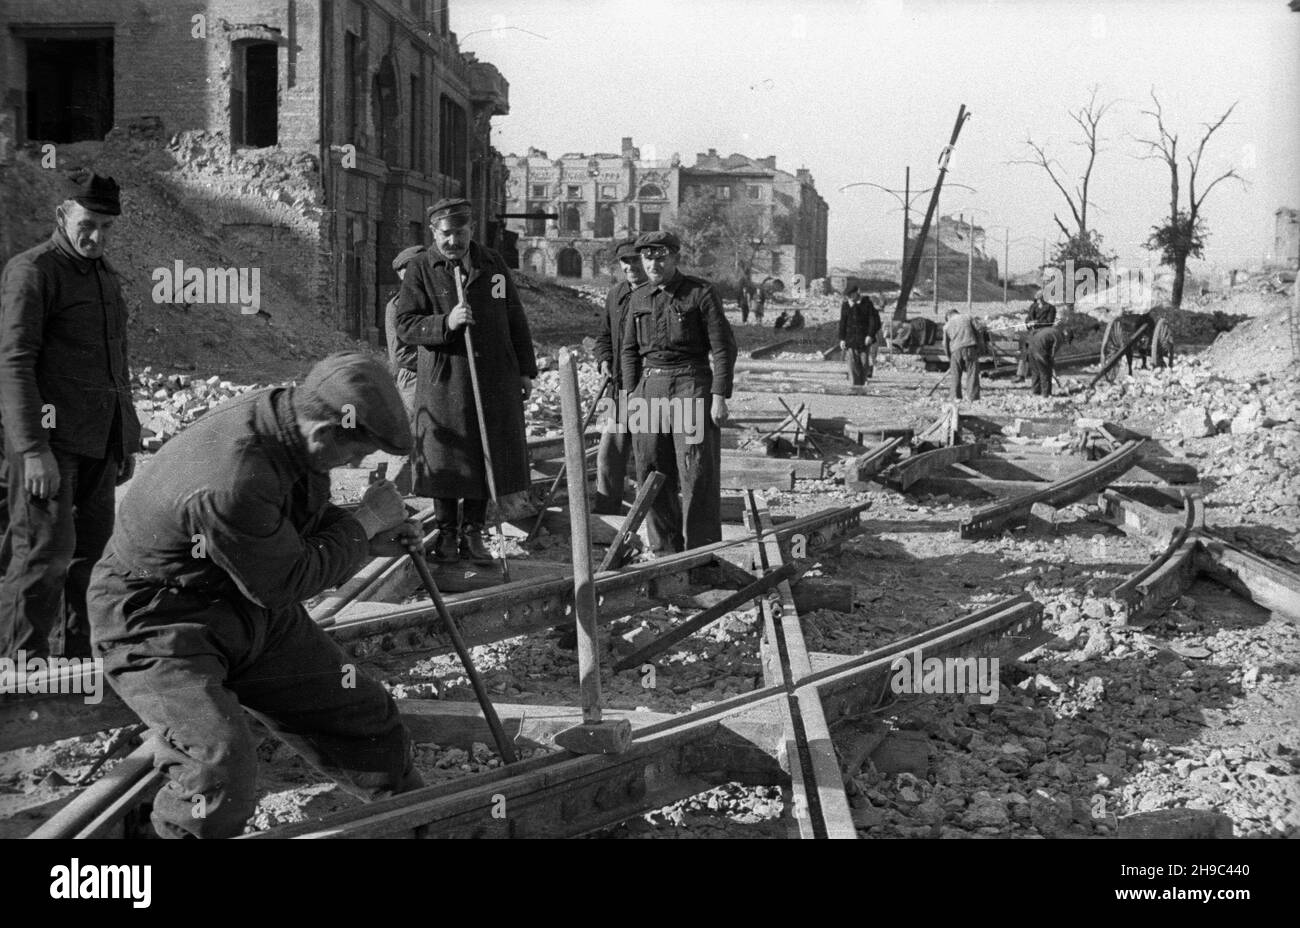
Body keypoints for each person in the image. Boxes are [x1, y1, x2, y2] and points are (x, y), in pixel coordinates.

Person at [87, 353, 425, 838]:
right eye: (355, 454)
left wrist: (362, 537)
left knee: (361, 715)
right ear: (325, 432)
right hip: (157, 621)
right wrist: (363, 523)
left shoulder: (288, 424)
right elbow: (284, 581)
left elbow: (291, 522)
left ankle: (416, 818)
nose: (355, 464)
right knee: (217, 773)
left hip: (243, 601)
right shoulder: (234, 476)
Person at [0, 172, 141, 660]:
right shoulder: (33, 272)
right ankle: (19, 669)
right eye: (88, 224)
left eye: (106, 227)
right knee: (43, 557)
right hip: (50, 448)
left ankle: (78, 663)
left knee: (93, 561)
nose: (97, 237)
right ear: (62, 215)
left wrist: (125, 439)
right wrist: (33, 450)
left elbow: (115, 360)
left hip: (98, 446)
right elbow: (14, 364)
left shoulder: (104, 275)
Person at [395, 197, 537, 564]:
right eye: (445, 234)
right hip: (446, 378)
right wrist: (446, 323)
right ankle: (446, 535)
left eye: (459, 233)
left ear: (471, 230)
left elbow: (513, 316)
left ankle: (473, 534)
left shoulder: (492, 265)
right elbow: (406, 325)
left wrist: (524, 370)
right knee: (447, 457)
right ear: (433, 233)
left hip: (493, 376)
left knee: (483, 451)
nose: (453, 241)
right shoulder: (423, 268)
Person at [620, 231, 737, 556]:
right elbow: (628, 350)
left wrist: (719, 396)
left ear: (675, 257)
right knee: (651, 470)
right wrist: (631, 395)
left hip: (690, 385)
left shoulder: (700, 293)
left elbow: (723, 347)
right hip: (650, 388)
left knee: (696, 469)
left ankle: (701, 554)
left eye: (661, 257)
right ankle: (665, 551)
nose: (653, 263)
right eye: (647, 257)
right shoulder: (639, 297)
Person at [592, 238, 646, 514]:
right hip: (620, 388)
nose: (631, 266)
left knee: (648, 456)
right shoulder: (616, 295)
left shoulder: (657, 292)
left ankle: (651, 513)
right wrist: (603, 360)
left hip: (649, 389)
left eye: (636, 259)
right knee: (609, 456)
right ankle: (606, 512)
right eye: (626, 261)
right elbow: (603, 337)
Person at [384, 245, 425, 417]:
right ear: (402, 275)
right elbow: (400, 355)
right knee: (419, 427)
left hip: (435, 373)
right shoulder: (396, 306)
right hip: (412, 377)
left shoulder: (434, 298)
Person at [838, 285, 882, 385]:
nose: (849, 297)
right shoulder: (845, 305)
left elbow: (874, 321)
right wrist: (842, 339)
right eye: (847, 296)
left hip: (864, 340)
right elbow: (843, 323)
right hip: (850, 339)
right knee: (852, 363)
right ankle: (854, 385)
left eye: (851, 295)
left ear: (856, 293)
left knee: (863, 363)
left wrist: (870, 335)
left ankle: (862, 384)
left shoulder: (867, 304)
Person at [942, 308, 983, 401]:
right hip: (970, 348)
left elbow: (945, 344)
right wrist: (980, 346)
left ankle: (955, 397)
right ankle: (973, 397)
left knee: (955, 375)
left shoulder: (946, 326)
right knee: (972, 373)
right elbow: (979, 329)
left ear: (948, 316)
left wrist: (949, 357)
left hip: (955, 351)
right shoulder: (967, 317)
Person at [1028, 324, 1067, 397]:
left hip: (1031, 347)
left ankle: (1035, 391)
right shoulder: (1059, 337)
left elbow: (1034, 332)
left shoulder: (1052, 330)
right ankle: (1046, 394)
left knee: (1036, 371)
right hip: (1040, 349)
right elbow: (1053, 352)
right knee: (1046, 372)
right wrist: (1051, 363)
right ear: (1066, 337)